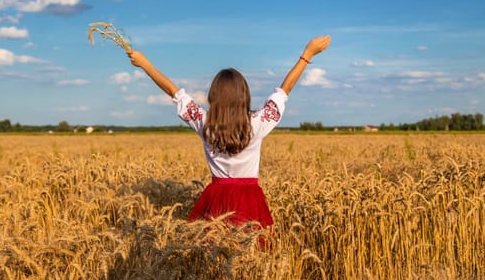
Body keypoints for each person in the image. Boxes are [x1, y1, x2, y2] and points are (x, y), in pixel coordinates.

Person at [126, 35, 331, 229]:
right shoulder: (257, 123)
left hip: (216, 199)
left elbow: (174, 92)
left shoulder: (205, 123)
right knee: (252, 255)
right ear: (245, 95)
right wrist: (307, 54)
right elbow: (284, 90)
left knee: (213, 252)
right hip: (250, 199)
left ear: (214, 96)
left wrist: (145, 64)